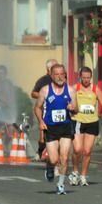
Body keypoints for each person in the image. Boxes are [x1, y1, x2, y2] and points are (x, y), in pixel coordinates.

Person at [34, 64, 76, 195]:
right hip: (50, 127)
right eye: (56, 74)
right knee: (54, 159)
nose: (59, 77)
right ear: (51, 76)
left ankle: (61, 184)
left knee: (64, 157)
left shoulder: (70, 90)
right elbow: (37, 107)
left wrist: (73, 108)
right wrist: (41, 121)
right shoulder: (45, 90)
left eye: (62, 74)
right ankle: (50, 166)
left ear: (65, 75)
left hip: (66, 127)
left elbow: (77, 109)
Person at [69, 67, 102, 186]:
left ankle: (83, 175)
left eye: (88, 78)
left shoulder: (96, 89)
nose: (86, 80)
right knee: (77, 149)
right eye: (84, 77)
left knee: (87, 151)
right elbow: (69, 103)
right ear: (80, 77)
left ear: (91, 77)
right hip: (78, 121)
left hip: (92, 122)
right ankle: (75, 171)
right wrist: (70, 107)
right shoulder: (75, 89)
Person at [32, 58, 58, 180]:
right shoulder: (43, 81)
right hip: (45, 111)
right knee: (43, 135)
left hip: (59, 113)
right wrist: (44, 95)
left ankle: (55, 162)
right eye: (54, 68)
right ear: (48, 70)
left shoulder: (61, 80)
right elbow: (33, 93)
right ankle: (41, 150)